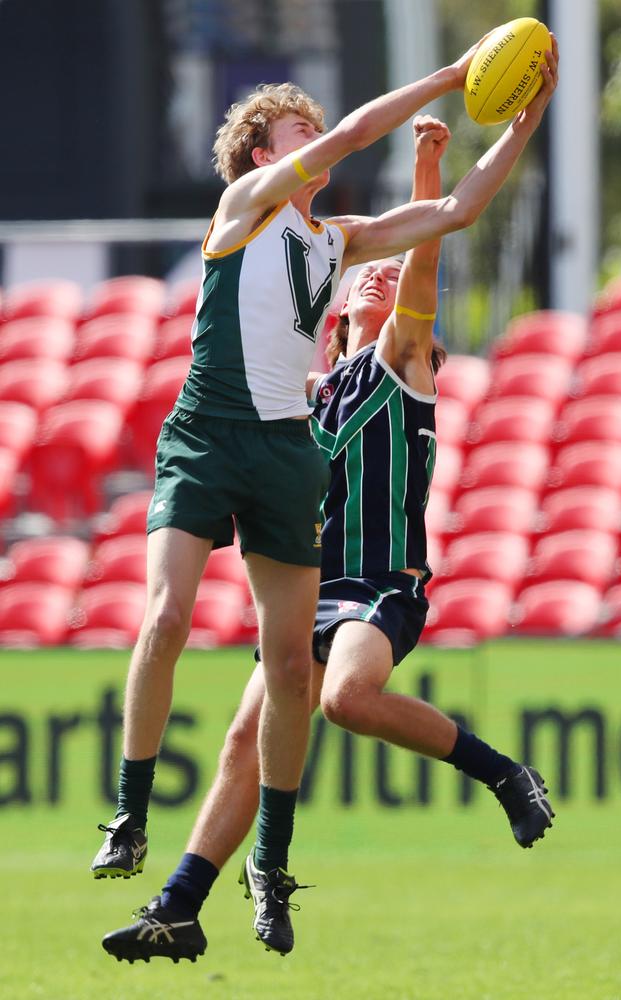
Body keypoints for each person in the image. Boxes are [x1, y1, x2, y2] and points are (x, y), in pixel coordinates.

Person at [101, 45, 559, 963]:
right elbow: (356, 156)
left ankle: (493, 779)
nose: (318, 135)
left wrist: (516, 126)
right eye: (296, 129)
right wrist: (450, 89)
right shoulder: (290, 348)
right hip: (293, 538)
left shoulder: (391, 347)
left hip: (380, 579)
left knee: (337, 695)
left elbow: (446, 226)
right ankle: (179, 898)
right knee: (238, 727)